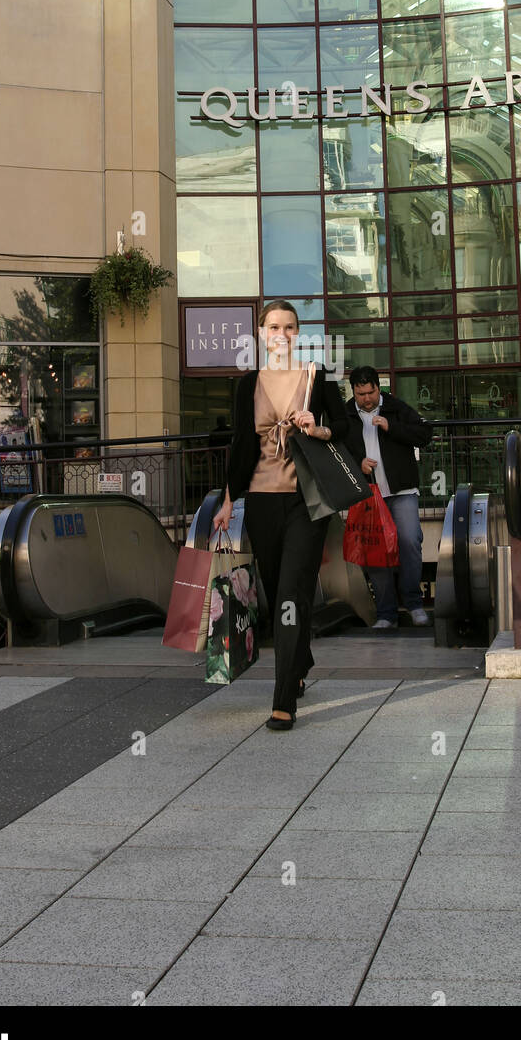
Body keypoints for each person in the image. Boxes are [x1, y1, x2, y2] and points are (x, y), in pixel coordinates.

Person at [212, 301, 347, 730]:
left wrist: (317, 426)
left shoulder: (315, 376)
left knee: (292, 593)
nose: (282, 334)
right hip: (262, 502)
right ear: (261, 332)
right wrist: (229, 498)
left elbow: (343, 426)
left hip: (307, 502)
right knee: (279, 593)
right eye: (274, 327)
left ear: (297, 333)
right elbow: (240, 443)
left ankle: (283, 699)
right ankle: (301, 659)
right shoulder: (248, 383)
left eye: (289, 327)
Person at [344, 366, 431, 628]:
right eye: (361, 394)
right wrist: (357, 463)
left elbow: (424, 435)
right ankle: (386, 614)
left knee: (410, 542)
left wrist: (390, 426)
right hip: (369, 495)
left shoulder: (396, 407)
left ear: (377, 387)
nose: (367, 399)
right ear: (354, 392)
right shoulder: (346, 414)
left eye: (370, 392)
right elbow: (337, 450)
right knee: (375, 550)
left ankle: (414, 604)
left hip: (402, 490)